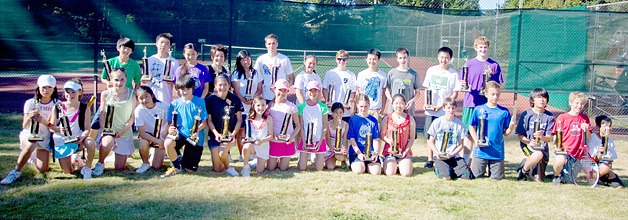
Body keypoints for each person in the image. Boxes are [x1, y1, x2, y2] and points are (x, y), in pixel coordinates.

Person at [1, 75, 61, 185]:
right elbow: (25, 125)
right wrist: (29, 115)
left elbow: (53, 126)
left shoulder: (58, 104)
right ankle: (16, 171)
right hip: (29, 135)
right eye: (43, 87)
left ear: (54, 88)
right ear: (38, 87)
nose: (46, 90)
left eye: (49, 87)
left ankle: (31, 156)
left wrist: (42, 120)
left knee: (42, 169)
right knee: (31, 143)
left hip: (45, 138)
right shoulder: (30, 103)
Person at [461, 36, 503, 165]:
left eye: (485, 47)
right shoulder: (468, 64)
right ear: (476, 48)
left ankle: (483, 160)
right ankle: (466, 161)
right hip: (470, 103)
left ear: (488, 48)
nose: (483, 49)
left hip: (486, 104)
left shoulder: (494, 65)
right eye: (480, 47)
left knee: (484, 132)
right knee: (469, 132)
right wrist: (463, 85)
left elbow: (498, 84)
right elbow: (463, 83)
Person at [89, 37, 141, 142]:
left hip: (125, 99)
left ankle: (123, 148)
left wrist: (135, 94)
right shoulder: (110, 62)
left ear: (132, 51)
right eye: (124, 48)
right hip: (111, 98)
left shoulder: (135, 65)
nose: (126, 51)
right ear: (118, 48)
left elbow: (137, 82)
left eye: (129, 48)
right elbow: (103, 78)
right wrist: (108, 83)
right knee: (96, 121)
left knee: (125, 123)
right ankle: (88, 143)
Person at [161, 75, 208, 178]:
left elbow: (204, 122)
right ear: (178, 89)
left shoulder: (200, 101)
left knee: (190, 170)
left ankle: (183, 160)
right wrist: (171, 129)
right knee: (168, 143)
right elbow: (171, 123)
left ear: (192, 88)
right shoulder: (174, 104)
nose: (185, 91)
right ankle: (176, 167)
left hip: (195, 138)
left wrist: (196, 130)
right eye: (182, 89)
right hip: (180, 134)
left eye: (188, 89)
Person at [92, 69, 138, 176]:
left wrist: (122, 131)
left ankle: (117, 155)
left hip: (124, 133)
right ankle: (100, 163)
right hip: (109, 131)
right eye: (116, 80)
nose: (119, 83)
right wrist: (104, 130)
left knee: (119, 168)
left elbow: (132, 118)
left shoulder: (132, 95)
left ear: (126, 79)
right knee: (107, 142)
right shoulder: (105, 94)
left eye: (122, 79)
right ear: (111, 80)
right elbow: (102, 113)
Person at [421, 46, 460, 169]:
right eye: (442, 57)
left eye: (447, 58)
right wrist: (427, 103)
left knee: (442, 134)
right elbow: (426, 88)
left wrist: (442, 106)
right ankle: (430, 159)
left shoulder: (453, 73)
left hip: (444, 111)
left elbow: (455, 93)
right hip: (431, 110)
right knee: (430, 135)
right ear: (438, 57)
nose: (444, 60)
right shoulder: (431, 70)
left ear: (450, 59)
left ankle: (442, 156)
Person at [468, 81, 515, 180]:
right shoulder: (478, 109)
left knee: (497, 179)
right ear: (486, 94)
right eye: (492, 94)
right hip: (481, 151)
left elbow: (505, 134)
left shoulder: (504, 112)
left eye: (497, 94)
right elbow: (471, 126)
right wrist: (476, 140)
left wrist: (510, 128)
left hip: (496, 152)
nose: (495, 97)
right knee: (475, 177)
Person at [51, 79, 97, 179]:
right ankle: (75, 159)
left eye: (73, 92)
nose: (70, 95)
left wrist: (82, 137)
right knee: (68, 173)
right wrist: (59, 129)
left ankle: (87, 169)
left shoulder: (85, 108)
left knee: (91, 142)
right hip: (62, 141)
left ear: (80, 92)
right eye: (67, 92)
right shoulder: (57, 107)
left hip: (77, 140)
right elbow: (51, 127)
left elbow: (87, 129)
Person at [206, 74, 244, 176]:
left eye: (225, 85)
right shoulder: (209, 100)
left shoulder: (235, 99)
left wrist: (233, 134)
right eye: (220, 85)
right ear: (215, 86)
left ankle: (229, 168)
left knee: (222, 153)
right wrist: (216, 134)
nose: (222, 87)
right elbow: (209, 121)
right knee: (217, 169)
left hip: (229, 136)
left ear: (229, 85)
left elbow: (239, 120)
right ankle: (223, 163)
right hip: (215, 136)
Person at [551, 91, 592, 186]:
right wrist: (556, 145)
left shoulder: (585, 118)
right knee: (560, 161)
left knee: (569, 180)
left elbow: (589, 137)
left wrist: (586, 129)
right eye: (576, 103)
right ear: (571, 103)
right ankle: (556, 176)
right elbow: (556, 134)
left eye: (582, 104)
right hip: (564, 151)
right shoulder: (562, 117)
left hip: (578, 153)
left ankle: (564, 173)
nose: (579, 106)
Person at [427, 97, 472, 180]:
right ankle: (439, 169)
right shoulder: (437, 122)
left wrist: (451, 155)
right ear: (444, 108)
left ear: (456, 108)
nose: (451, 110)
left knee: (466, 176)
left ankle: (453, 169)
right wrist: (437, 153)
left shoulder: (459, 124)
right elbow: (431, 141)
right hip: (440, 156)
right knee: (446, 177)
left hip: (454, 156)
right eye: (448, 108)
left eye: (453, 108)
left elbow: (461, 145)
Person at [515, 88, 554, 182]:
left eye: (544, 97)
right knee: (537, 155)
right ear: (533, 100)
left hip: (542, 148)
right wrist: (529, 142)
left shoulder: (550, 117)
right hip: (528, 146)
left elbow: (549, 138)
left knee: (538, 180)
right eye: (538, 97)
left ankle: (526, 166)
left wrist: (542, 137)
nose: (542, 100)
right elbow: (520, 135)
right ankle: (523, 171)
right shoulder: (526, 114)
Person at [231, 50, 264, 162]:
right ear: (239, 61)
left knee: (252, 131)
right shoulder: (236, 74)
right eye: (243, 59)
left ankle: (253, 154)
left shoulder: (256, 73)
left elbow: (260, 89)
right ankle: (242, 154)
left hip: (253, 107)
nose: (246, 61)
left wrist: (253, 100)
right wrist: (244, 100)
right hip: (241, 106)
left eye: (248, 59)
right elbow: (235, 90)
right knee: (240, 131)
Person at [268, 79, 301, 171]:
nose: (282, 93)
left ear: (287, 91)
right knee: (270, 168)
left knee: (283, 168)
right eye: (280, 90)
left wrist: (292, 137)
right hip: (274, 142)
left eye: (285, 90)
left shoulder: (292, 107)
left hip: (287, 143)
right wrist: (272, 134)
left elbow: (298, 126)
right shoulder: (269, 106)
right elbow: (266, 124)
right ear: (274, 89)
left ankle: (281, 159)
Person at [134, 86, 168, 174]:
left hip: (161, 134)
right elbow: (142, 133)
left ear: (152, 95)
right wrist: (157, 141)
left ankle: (155, 152)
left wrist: (163, 136)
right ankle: (145, 163)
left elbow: (170, 122)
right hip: (148, 135)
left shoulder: (163, 106)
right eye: (141, 98)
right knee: (143, 143)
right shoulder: (138, 111)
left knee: (157, 166)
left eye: (146, 96)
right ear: (138, 100)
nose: (144, 100)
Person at [296, 81, 329, 171]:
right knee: (302, 168)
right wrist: (303, 141)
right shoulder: (301, 107)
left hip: (319, 140)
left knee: (319, 169)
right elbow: (301, 126)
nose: (313, 93)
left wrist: (320, 142)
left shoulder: (323, 107)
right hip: (305, 141)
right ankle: (302, 158)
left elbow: (325, 127)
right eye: (311, 90)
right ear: (306, 91)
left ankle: (316, 157)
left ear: (319, 92)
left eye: (315, 90)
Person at [381, 95, 415, 177]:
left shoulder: (410, 119)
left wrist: (406, 151)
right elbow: (381, 135)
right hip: (390, 152)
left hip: (403, 151)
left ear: (405, 104)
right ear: (392, 104)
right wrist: (389, 141)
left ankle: (404, 163)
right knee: (390, 173)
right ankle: (388, 162)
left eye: (401, 103)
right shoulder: (387, 118)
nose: (398, 106)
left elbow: (412, 138)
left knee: (406, 173)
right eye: (396, 103)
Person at [254, 34, 295, 103]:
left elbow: (291, 78)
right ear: (266, 45)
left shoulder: (284, 59)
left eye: (273, 43)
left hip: (281, 97)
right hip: (266, 96)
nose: (271, 46)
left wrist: (284, 89)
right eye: (269, 44)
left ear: (277, 44)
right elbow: (255, 76)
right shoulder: (260, 60)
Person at [347, 94, 382, 175]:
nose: (363, 109)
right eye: (361, 106)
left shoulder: (373, 121)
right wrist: (359, 153)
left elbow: (376, 139)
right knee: (359, 170)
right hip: (357, 152)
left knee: (376, 172)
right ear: (357, 106)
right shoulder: (353, 120)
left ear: (369, 105)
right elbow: (352, 140)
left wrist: (376, 153)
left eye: (365, 106)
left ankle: (369, 164)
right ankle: (359, 163)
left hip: (370, 152)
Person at [240, 96, 274, 176]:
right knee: (246, 147)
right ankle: (245, 167)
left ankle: (255, 162)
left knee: (259, 171)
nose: (261, 108)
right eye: (258, 105)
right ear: (254, 106)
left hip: (263, 146)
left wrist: (261, 141)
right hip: (252, 145)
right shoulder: (249, 118)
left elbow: (271, 136)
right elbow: (244, 131)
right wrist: (242, 138)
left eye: (263, 105)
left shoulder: (268, 118)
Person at [587, 115, 624, 188]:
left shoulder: (610, 140)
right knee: (605, 167)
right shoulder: (593, 138)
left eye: (610, 126)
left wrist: (610, 171)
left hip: (606, 166)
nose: (608, 128)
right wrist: (599, 153)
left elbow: (610, 159)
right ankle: (592, 177)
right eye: (605, 126)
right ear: (598, 127)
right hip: (594, 165)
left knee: (619, 186)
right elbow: (592, 159)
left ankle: (601, 178)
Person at [144, 33, 180, 106]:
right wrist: (144, 80)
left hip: (166, 99)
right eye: (162, 42)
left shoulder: (174, 62)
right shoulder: (149, 60)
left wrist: (172, 81)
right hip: (151, 99)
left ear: (170, 46)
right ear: (156, 43)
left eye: (167, 43)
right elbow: (145, 79)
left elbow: (178, 83)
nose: (163, 45)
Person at [322, 50, 356, 121]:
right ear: (336, 59)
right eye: (339, 59)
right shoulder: (329, 73)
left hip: (345, 112)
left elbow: (352, 93)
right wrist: (328, 102)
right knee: (331, 130)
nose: (341, 61)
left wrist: (349, 103)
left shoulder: (351, 75)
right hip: (331, 110)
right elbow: (324, 89)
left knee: (344, 130)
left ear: (347, 60)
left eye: (344, 59)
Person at [356, 49, 388, 127]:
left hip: (376, 110)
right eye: (370, 59)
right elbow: (358, 92)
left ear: (378, 60)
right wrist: (358, 107)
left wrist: (383, 107)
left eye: (374, 59)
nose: (372, 61)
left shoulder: (383, 75)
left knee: (375, 132)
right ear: (366, 59)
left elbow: (384, 93)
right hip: (363, 109)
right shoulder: (361, 74)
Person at [325, 102, 349, 170]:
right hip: (331, 149)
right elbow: (327, 139)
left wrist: (343, 149)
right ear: (332, 113)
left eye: (340, 112)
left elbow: (345, 140)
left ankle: (343, 160)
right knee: (330, 167)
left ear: (343, 113)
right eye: (336, 112)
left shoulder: (346, 125)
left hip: (340, 149)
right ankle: (332, 159)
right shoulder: (328, 124)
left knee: (339, 156)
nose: (338, 115)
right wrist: (332, 148)